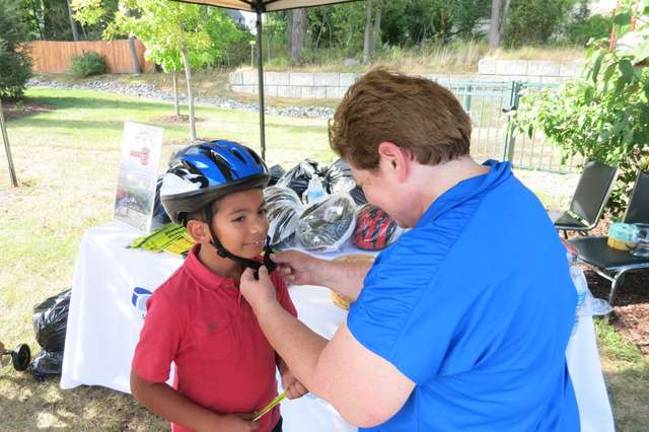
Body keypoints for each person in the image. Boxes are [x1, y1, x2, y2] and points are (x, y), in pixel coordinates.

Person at [239, 69, 580, 431]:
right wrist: (322, 271)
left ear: (392, 160)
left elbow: (353, 394)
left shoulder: (428, 259)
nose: (367, 197)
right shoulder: (510, 196)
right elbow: (444, 296)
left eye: (363, 182)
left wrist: (266, 307)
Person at [130, 140, 307, 432]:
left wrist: (288, 368)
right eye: (240, 218)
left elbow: (282, 334)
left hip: (268, 424)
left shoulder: (264, 272)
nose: (260, 227)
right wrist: (214, 425)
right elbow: (145, 385)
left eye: (261, 212)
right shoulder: (173, 302)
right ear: (199, 231)